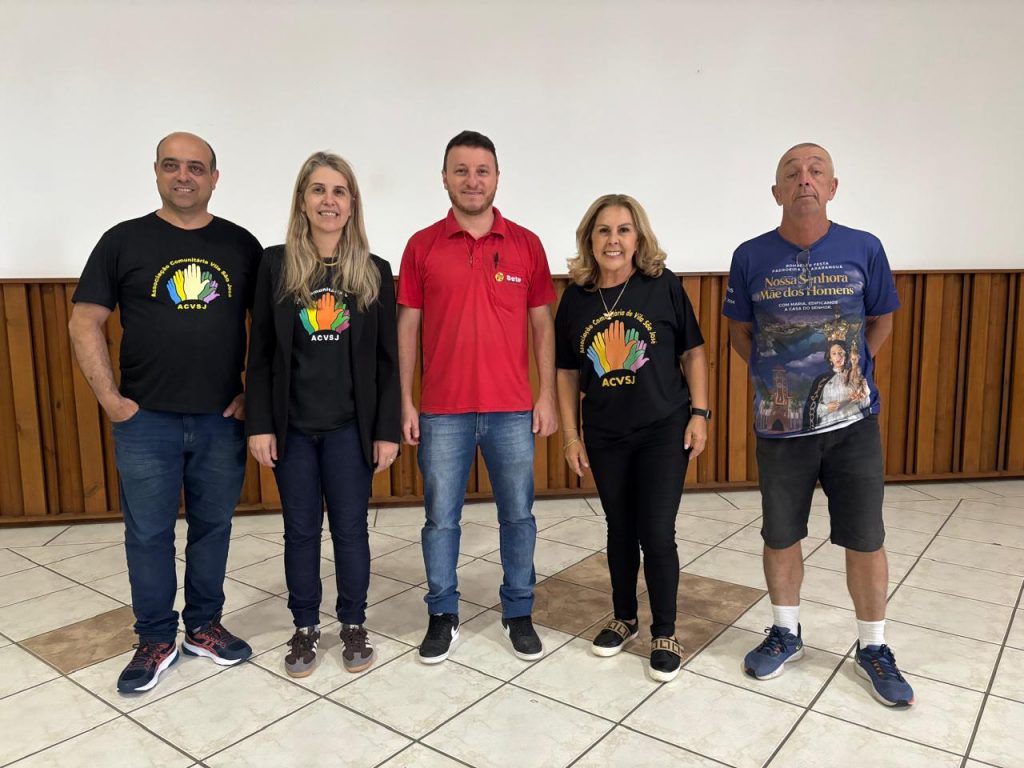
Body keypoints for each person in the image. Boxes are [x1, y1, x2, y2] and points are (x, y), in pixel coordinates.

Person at [723, 142, 914, 707]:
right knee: (780, 534)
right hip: (780, 430)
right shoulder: (750, 256)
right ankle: (786, 633)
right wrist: (773, 375)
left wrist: (852, 373)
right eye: (792, 173)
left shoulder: (864, 248)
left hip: (854, 425)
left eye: (815, 171)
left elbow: (882, 319)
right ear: (776, 192)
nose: (804, 179)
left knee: (866, 537)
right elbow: (739, 333)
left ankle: (873, 646)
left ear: (832, 187)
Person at [69, 132, 260, 693]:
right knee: (148, 534)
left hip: (220, 419)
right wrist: (111, 400)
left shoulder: (241, 245)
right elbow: (85, 320)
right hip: (145, 420)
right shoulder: (122, 241)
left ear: (214, 178)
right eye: (172, 165)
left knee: (213, 528)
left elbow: (270, 329)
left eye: (196, 167)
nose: (184, 176)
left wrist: (254, 393)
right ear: (156, 172)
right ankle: (155, 638)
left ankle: (203, 626)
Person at [397, 130, 557, 663]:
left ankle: (518, 611)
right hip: (442, 412)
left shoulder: (526, 244)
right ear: (444, 178)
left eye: (481, 170)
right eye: (461, 170)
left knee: (519, 517)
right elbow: (407, 327)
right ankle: (442, 613)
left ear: (497, 178)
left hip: (512, 409)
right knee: (440, 520)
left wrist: (546, 396)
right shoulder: (422, 246)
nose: (472, 180)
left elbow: (542, 325)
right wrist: (405, 401)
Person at [246, 152, 400, 678]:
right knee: (300, 531)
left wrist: (385, 431)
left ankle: (353, 622)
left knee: (351, 531)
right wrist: (260, 423)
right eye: (318, 190)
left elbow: (387, 362)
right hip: (292, 429)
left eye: (339, 191)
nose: (328, 201)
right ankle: (305, 626)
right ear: (302, 201)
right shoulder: (275, 265)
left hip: (349, 431)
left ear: (352, 204)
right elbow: (261, 354)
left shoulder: (374, 272)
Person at [555, 194, 709, 682]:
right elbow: (566, 372)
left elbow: (694, 352)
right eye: (603, 230)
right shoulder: (576, 298)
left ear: (638, 237)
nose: (613, 240)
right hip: (605, 434)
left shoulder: (662, 285)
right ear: (589, 239)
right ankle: (624, 618)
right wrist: (571, 436)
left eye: (623, 229)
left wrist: (700, 414)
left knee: (657, 531)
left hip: (663, 428)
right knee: (619, 528)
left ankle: (665, 631)